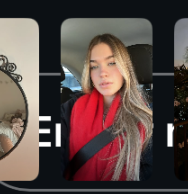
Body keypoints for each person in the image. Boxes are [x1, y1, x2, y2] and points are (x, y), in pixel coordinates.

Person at [64, 34, 152, 182]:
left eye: (111, 63)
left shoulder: (146, 119)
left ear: (124, 67)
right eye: (94, 66)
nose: (102, 73)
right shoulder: (71, 107)